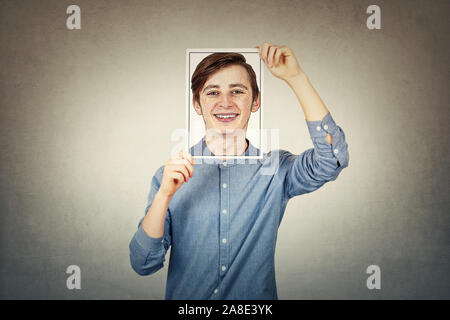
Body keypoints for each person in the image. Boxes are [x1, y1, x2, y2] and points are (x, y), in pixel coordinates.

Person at [129, 43, 349, 299]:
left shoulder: (276, 170)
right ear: (197, 104)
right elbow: (143, 263)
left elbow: (332, 158)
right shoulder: (170, 176)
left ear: (255, 101)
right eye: (212, 92)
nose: (225, 102)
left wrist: (296, 77)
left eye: (237, 91)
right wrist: (164, 195)